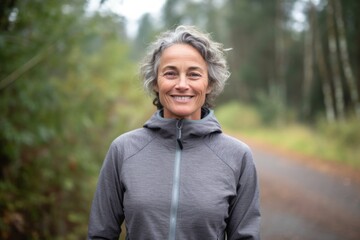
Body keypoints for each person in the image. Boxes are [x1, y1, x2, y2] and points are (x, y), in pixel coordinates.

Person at [88, 25, 261, 240]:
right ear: (155, 83)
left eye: (194, 74)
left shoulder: (237, 156)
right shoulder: (123, 150)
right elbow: (100, 235)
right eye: (170, 73)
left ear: (209, 84)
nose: (181, 84)